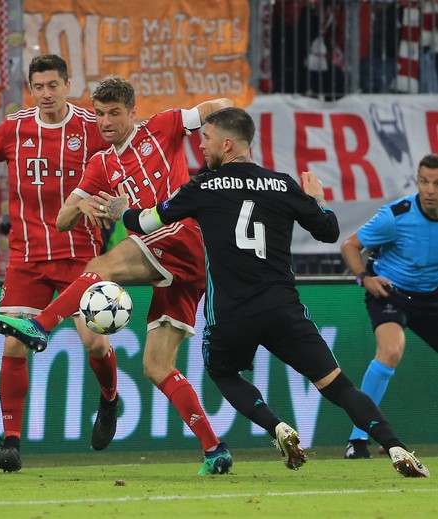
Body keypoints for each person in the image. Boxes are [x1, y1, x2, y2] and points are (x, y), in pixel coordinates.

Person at [104, 106, 428, 478]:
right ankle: (396, 446)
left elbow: (147, 221)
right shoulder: (283, 183)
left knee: (222, 372)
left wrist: (122, 210)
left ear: (227, 144)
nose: (201, 147)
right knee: (338, 386)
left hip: (232, 312)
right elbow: (328, 230)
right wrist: (317, 198)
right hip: (283, 309)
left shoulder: (202, 187)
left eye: (206, 139)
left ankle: (276, 426)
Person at [0, 75, 235, 476]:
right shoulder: (101, 164)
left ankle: (42, 326)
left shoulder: (163, 127)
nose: (105, 122)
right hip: (173, 266)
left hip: (183, 235)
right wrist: (83, 207)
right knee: (156, 367)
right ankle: (214, 448)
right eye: (99, 114)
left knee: (99, 267)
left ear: (133, 112)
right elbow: (62, 218)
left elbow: (222, 103)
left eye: (115, 113)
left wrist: (222, 149)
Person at [0, 54, 117, 472]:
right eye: (39, 87)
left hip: (79, 256)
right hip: (27, 259)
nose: (46, 94)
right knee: (14, 342)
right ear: (30, 89)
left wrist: (106, 205)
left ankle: (109, 402)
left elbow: (122, 172)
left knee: (96, 343)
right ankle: (10, 443)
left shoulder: (91, 128)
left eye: (53, 85)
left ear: (69, 85)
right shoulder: (14, 128)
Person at [339, 153, 438, 460]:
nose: (430, 190)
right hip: (391, 292)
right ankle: (358, 440)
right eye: (424, 181)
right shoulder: (396, 215)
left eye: (436, 183)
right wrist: (365, 278)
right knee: (391, 350)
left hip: (431, 297)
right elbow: (350, 245)